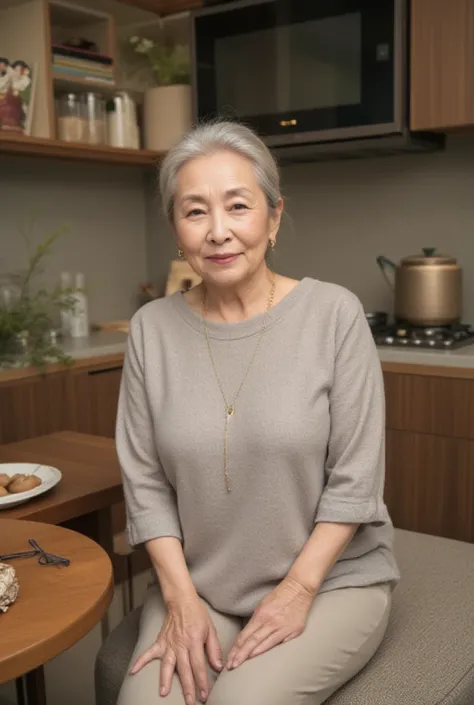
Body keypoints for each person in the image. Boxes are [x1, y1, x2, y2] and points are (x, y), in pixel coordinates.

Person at [116, 120, 400, 705]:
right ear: (176, 228)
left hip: (329, 585)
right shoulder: (151, 329)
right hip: (200, 587)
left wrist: (297, 589)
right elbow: (144, 482)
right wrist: (179, 599)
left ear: (272, 217)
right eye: (195, 212)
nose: (218, 232)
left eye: (237, 206)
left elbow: (355, 479)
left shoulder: (333, 315)